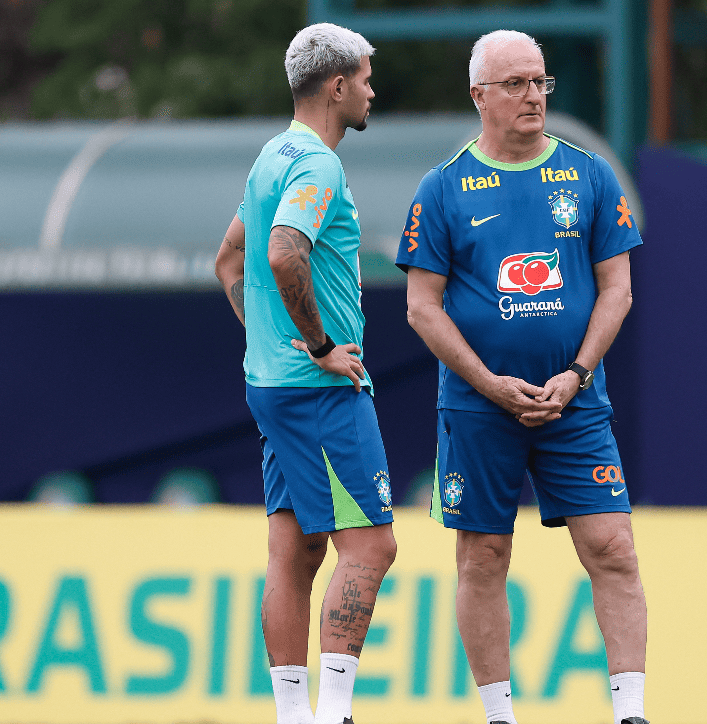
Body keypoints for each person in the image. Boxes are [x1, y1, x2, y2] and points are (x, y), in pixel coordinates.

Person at [396, 29, 650, 724]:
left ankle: (631, 710)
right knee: (483, 557)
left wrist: (576, 372)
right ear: (479, 96)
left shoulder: (588, 174)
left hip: (575, 401)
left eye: (540, 82)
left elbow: (617, 290)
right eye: (515, 84)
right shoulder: (443, 187)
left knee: (614, 547)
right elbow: (422, 308)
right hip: (480, 408)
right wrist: (487, 381)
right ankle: (499, 715)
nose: (533, 96)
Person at [214, 23, 395, 724]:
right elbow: (285, 252)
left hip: (274, 386)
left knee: (295, 548)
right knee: (372, 544)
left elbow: (229, 261)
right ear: (338, 85)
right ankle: (333, 713)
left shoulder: (271, 157)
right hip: (318, 389)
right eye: (367, 77)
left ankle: (294, 716)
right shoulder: (316, 163)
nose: (373, 90)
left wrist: (271, 348)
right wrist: (316, 346)